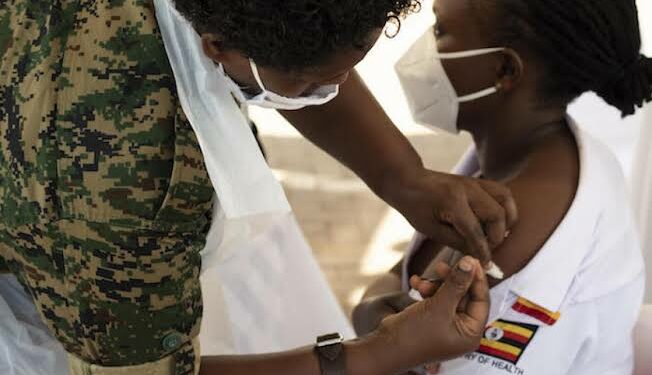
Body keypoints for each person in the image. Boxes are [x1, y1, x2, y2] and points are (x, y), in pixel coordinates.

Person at [0, 0, 512, 374]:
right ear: (216, 44)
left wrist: (405, 178)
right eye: (313, 83)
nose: (328, 92)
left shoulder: (249, 20)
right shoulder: (132, 192)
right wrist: (382, 351)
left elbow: (303, 42)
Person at [354, 0, 651, 374]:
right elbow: (393, 307)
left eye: (440, 31)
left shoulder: (511, 217)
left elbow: (394, 347)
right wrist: (373, 318)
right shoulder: (522, 157)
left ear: (505, 69)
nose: (423, 49)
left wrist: (370, 316)